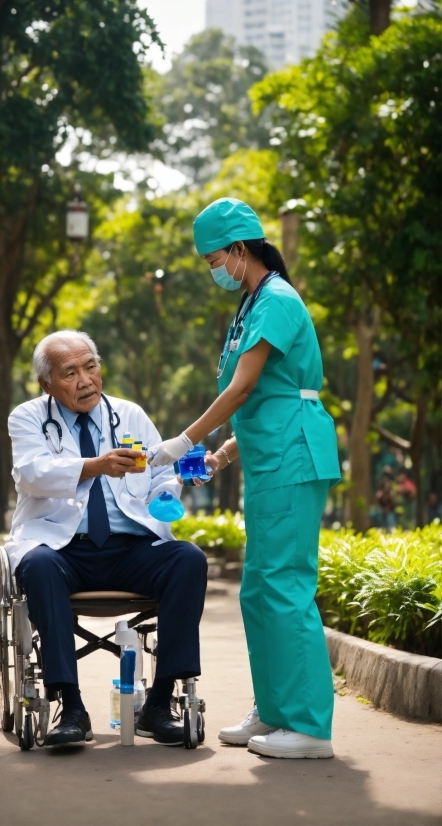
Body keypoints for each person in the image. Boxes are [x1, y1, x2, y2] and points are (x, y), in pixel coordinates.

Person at [148, 198, 341, 759]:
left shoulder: (277, 298)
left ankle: (308, 728)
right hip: (267, 457)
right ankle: (275, 710)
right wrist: (223, 455)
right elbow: (267, 398)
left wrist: (184, 441)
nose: (214, 269)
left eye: (214, 259)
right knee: (259, 590)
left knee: (285, 586)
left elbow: (243, 389)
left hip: (293, 456)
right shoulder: (252, 304)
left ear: (239, 250)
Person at [6, 330, 207, 749]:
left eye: (91, 367)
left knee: (188, 559)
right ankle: (70, 705)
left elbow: (161, 472)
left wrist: (169, 492)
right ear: (47, 384)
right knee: (38, 566)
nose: (85, 380)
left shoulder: (130, 415)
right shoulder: (27, 417)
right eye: (70, 372)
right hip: (62, 549)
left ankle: (160, 701)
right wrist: (95, 466)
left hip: (129, 549)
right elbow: (30, 473)